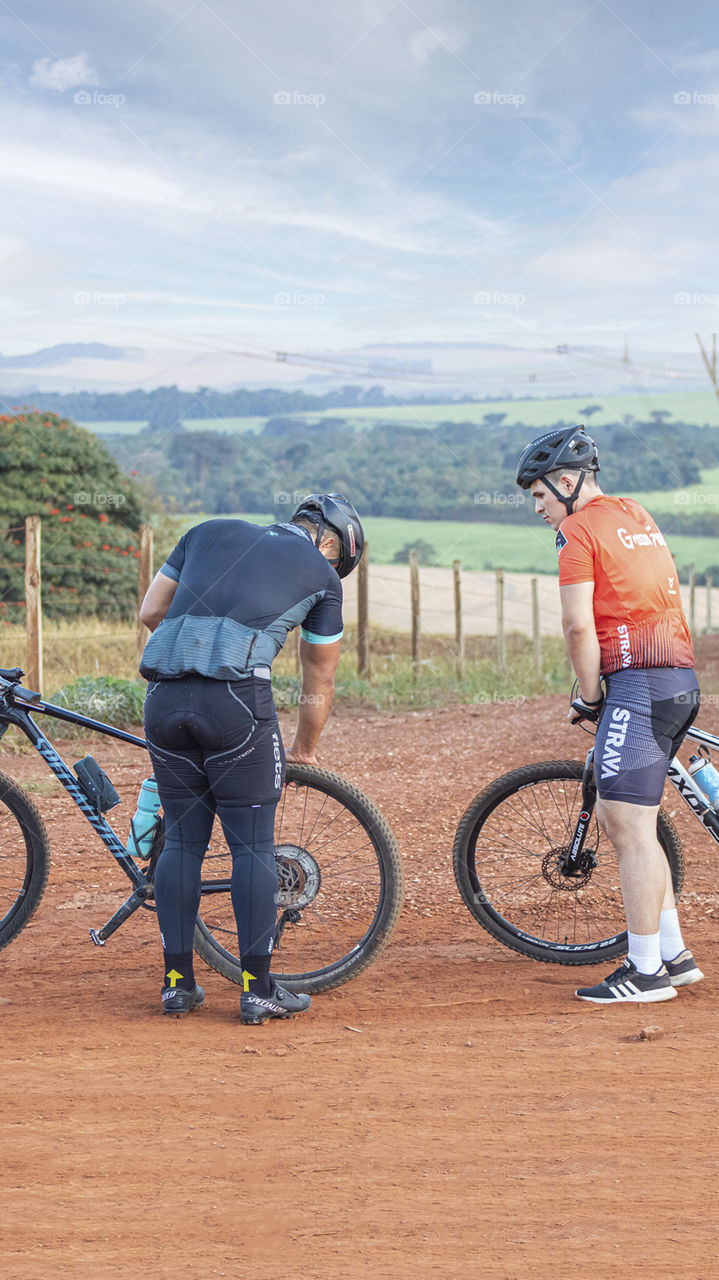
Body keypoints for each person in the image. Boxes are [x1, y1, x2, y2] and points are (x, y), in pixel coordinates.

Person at [137, 494, 364, 1021]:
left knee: (185, 840)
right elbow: (319, 678)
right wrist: (303, 748)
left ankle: (177, 985)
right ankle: (258, 990)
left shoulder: (206, 530)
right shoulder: (322, 577)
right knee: (254, 847)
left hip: (163, 698)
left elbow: (151, 612)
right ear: (329, 543)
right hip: (237, 703)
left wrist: (194, 657)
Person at [516, 426, 702, 1004]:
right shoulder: (635, 514)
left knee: (626, 828)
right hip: (679, 676)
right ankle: (672, 954)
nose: (540, 508)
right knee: (638, 825)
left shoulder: (577, 531)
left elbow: (577, 627)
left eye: (541, 495)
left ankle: (645, 973)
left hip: (638, 686)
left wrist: (592, 696)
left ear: (568, 482)